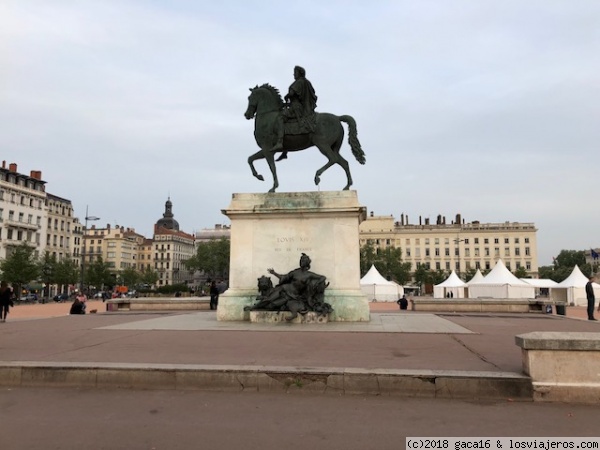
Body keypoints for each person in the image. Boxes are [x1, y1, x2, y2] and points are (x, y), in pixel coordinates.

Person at [272, 65, 318, 156]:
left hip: (296, 107)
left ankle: (280, 142)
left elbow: (292, 93)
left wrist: (287, 96)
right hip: (301, 106)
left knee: (280, 118)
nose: (294, 74)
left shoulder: (299, 82)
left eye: (295, 72)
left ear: (299, 73)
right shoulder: (307, 83)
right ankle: (285, 150)